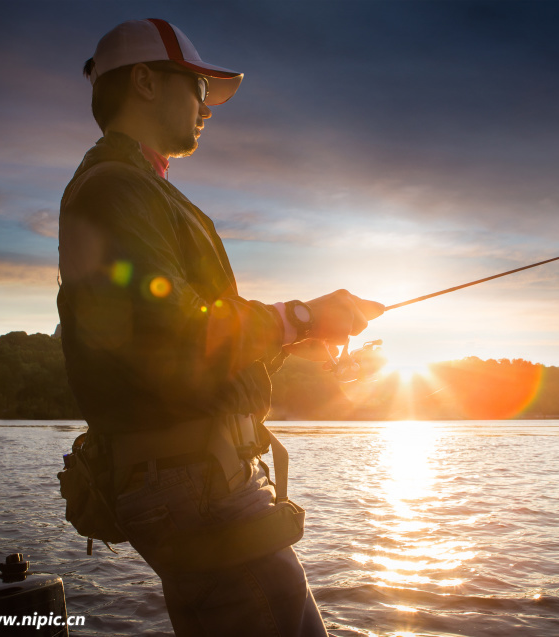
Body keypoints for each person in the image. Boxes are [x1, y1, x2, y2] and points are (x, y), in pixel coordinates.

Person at [57, 18, 383, 636]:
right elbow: (171, 331)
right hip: (193, 484)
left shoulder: (135, 189)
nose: (208, 107)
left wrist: (296, 334)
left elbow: (184, 354)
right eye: (198, 88)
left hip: (195, 479)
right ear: (146, 82)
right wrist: (301, 315)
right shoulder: (116, 191)